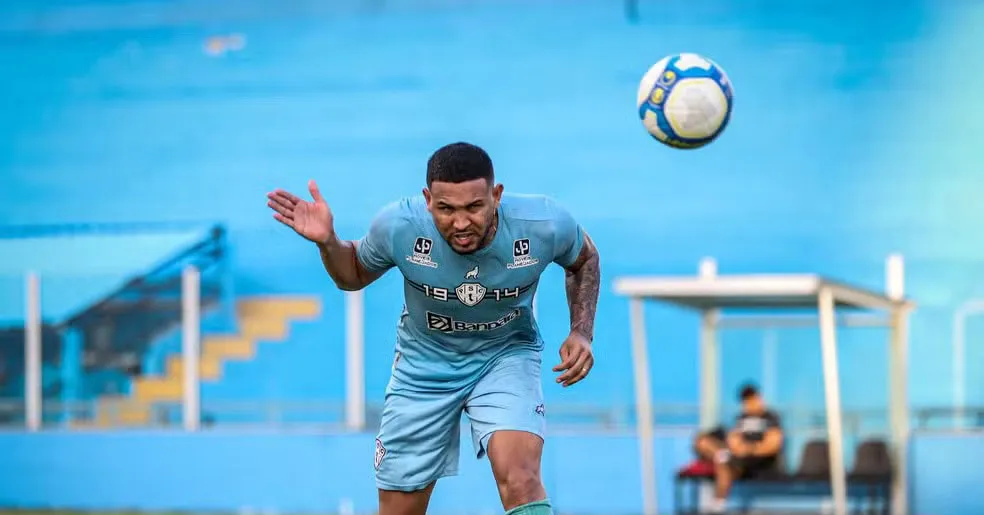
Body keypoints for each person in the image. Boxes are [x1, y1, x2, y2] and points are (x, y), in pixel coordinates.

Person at [266, 142, 601, 515]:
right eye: (446, 209)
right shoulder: (398, 226)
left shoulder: (543, 223)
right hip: (423, 367)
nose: (460, 223)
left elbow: (584, 258)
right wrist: (329, 243)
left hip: (505, 354)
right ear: (428, 199)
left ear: (496, 195)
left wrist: (581, 331)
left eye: (474, 207)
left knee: (520, 476)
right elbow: (353, 275)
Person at [692, 383, 784, 514]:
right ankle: (722, 456)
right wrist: (737, 448)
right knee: (704, 442)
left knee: (723, 462)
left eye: (752, 399)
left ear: (759, 398)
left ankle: (718, 503)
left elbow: (773, 444)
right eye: (746, 401)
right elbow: (734, 440)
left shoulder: (771, 417)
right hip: (736, 459)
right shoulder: (741, 418)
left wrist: (750, 449)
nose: (749, 404)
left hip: (757, 463)